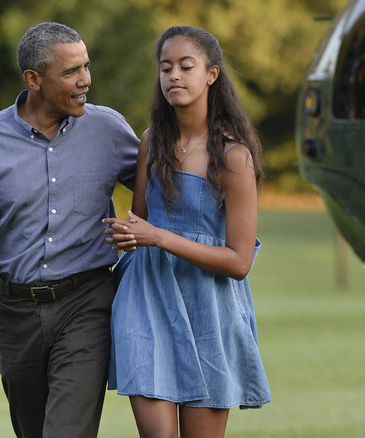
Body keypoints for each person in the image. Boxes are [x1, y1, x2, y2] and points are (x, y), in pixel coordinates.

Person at [0, 22, 139, 438]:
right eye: (71, 72)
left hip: (87, 304)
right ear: (33, 79)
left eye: (86, 67)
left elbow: (166, 189)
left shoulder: (109, 130)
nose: (85, 80)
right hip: (16, 316)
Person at [103, 25, 271, 438]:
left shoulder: (234, 157)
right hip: (146, 299)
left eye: (185, 66)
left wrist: (158, 237)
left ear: (211, 74)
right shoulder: (151, 143)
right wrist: (127, 234)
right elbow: (139, 221)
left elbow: (240, 261)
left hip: (209, 310)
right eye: (165, 67)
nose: (173, 76)